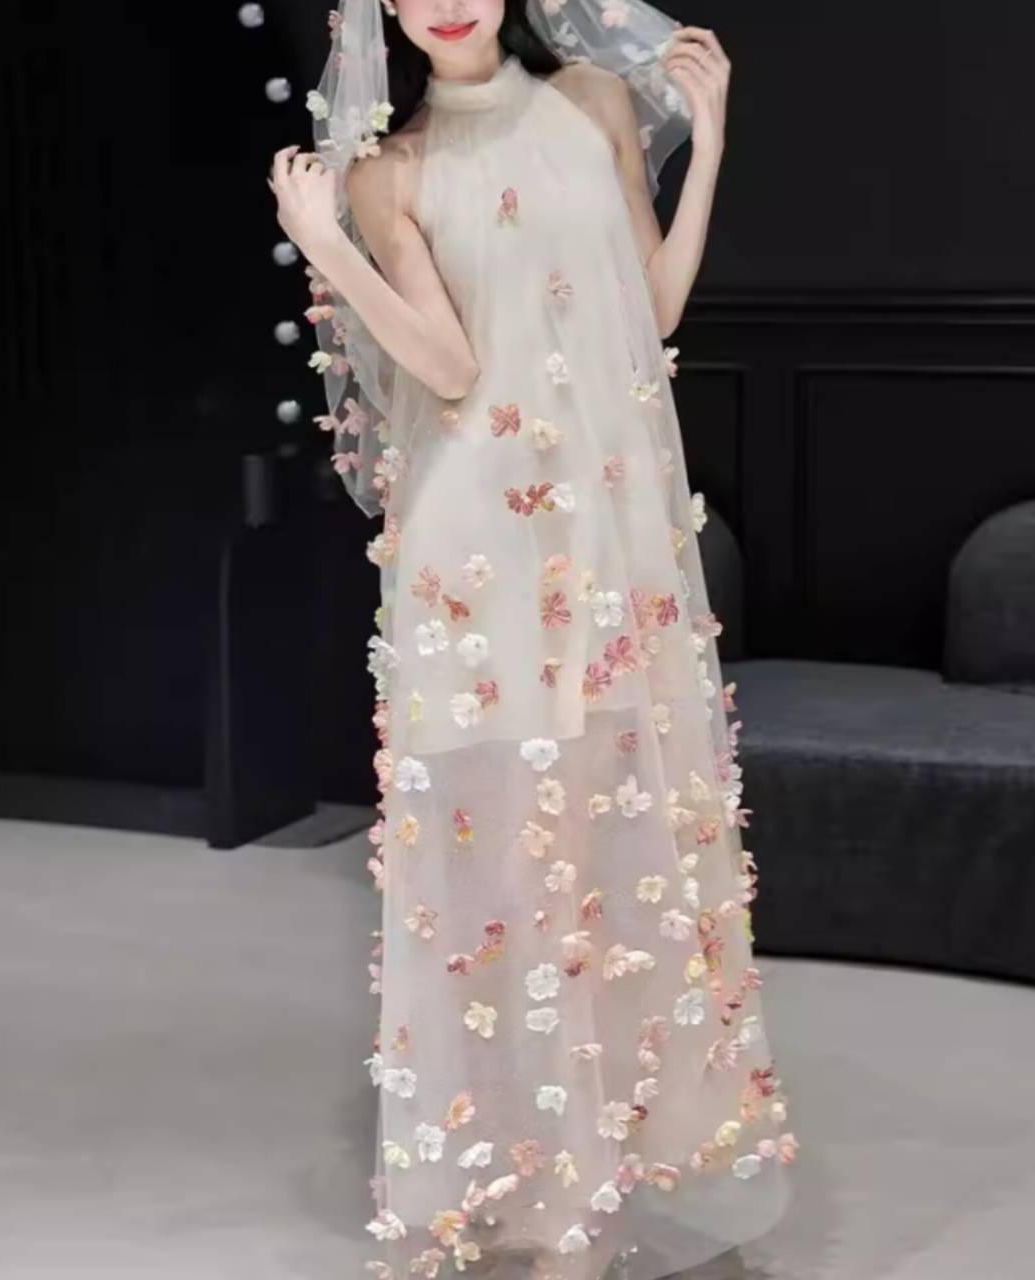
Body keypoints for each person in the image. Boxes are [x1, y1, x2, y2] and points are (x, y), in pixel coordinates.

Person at [266, 3, 798, 1276]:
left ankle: (602, 1175)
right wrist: (325, 243)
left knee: (615, 837)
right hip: (472, 547)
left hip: (606, 537)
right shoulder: (390, 169)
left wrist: (708, 145)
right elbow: (447, 367)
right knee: (499, 860)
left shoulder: (591, 106)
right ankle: (530, 1191)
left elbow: (650, 309)